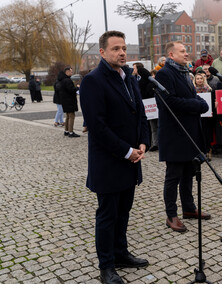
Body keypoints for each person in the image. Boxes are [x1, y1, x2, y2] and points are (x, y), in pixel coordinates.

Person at [79, 30, 150, 284]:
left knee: (124, 212)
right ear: (102, 52)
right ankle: (106, 266)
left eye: (123, 48)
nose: (122, 53)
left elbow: (140, 113)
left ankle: (121, 253)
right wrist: (127, 151)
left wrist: (143, 142)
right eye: (115, 49)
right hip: (110, 162)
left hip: (131, 160)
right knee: (107, 216)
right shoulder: (93, 81)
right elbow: (98, 127)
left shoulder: (129, 77)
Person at [155, 41, 211, 233]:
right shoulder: (164, 74)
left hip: (190, 134)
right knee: (173, 177)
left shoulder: (185, 73)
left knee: (189, 173)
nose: (187, 54)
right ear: (171, 54)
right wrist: (197, 105)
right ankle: (171, 215)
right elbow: (168, 102)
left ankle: (189, 208)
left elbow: (193, 96)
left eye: (187, 51)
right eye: (183, 51)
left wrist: (199, 103)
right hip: (174, 134)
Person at [58, 67, 80, 138]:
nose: (72, 73)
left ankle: (66, 131)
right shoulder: (67, 80)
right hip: (69, 101)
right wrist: (77, 88)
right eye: (71, 72)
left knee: (67, 116)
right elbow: (71, 90)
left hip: (65, 101)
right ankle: (71, 132)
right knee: (71, 116)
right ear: (67, 72)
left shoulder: (62, 80)